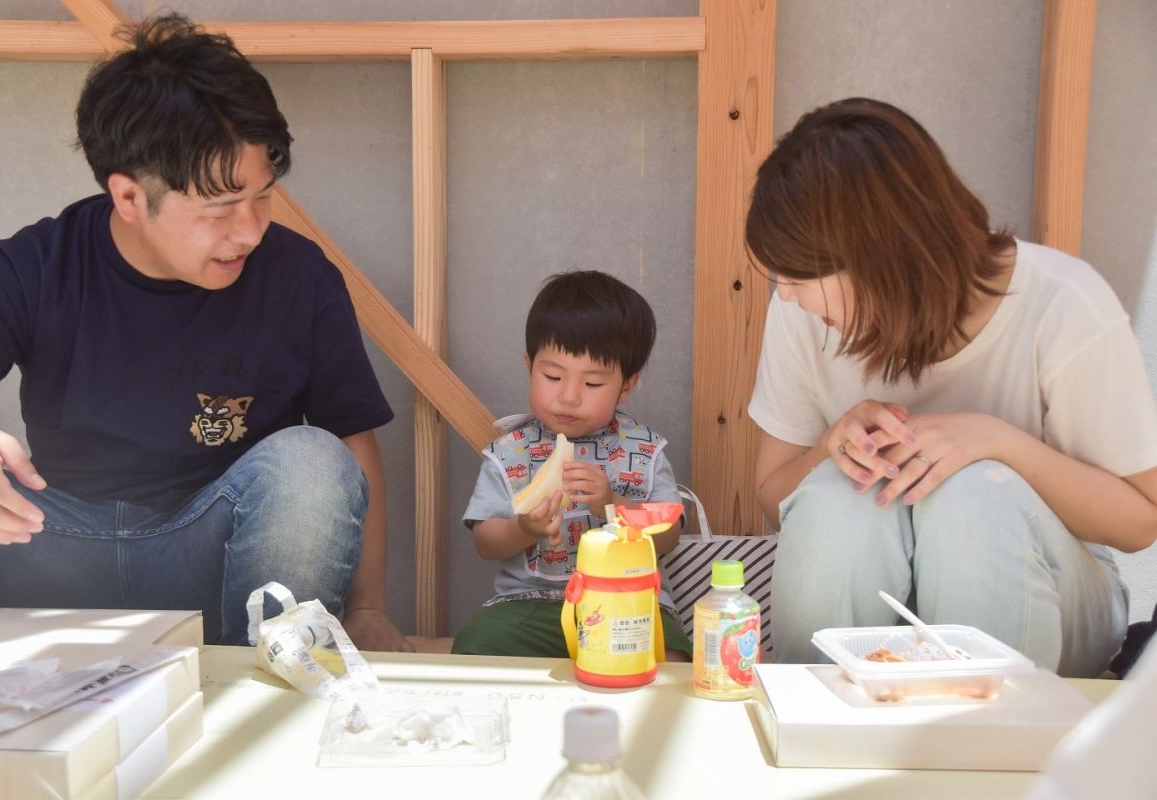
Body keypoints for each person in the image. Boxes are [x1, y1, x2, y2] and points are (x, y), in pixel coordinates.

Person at [0, 13, 411, 651]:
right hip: (46, 550)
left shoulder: (298, 277)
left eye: (263, 197)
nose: (250, 230)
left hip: (213, 560)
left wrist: (368, 607)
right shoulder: (39, 266)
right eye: (221, 208)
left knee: (313, 459)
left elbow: (349, 447)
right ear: (129, 199)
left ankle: (258, 688)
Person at [745, 97, 1157, 677]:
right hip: (878, 606)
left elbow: (1141, 519)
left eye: (798, 276)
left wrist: (997, 442)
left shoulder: (1063, 304)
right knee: (841, 494)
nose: (784, 294)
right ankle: (817, 716)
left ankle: (1000, 746)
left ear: (884, 256)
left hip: (1054, 602)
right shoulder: (801, 314)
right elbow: (774, 493)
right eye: (777, 276)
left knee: (972, 497)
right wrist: (830, 446)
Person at [451, 270, 692, 660]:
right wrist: (524, 527)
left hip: (627, 602)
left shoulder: (645, 450)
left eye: (593, 384)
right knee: (477, 645)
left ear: (626, 386)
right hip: (530, 605)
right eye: (552, 376)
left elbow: (667, 538)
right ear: (530, 366)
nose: (568, 397)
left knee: (674, 658)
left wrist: (612, 504)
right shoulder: (509, 452)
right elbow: (485, 543)